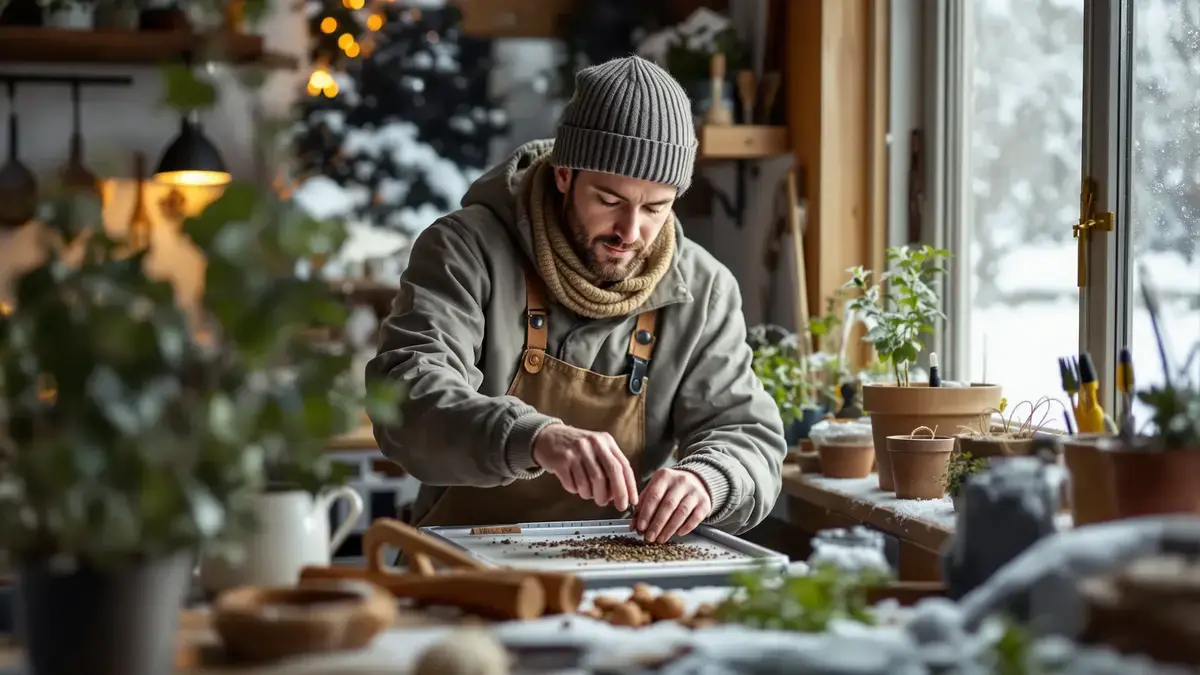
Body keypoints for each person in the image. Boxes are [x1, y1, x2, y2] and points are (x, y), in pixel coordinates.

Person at [367, 55, 786, 543]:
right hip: (463, 558)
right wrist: (532, 438)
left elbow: (748, 434)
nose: (630, 232)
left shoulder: (704, 289)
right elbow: (406, 395)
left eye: (655, 207)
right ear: (565, 174)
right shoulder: (465, 250)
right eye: (609, 200)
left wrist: (708, 480)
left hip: (619, 563)